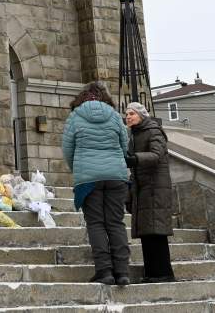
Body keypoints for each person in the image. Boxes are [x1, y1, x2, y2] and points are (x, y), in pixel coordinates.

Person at [62, 81, 131, 286]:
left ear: (82, 97)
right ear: (104, 97)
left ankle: (105, 271)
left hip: (88, 179)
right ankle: (123, 272)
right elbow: (124, 144)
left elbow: (67, 148)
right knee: (116, 222)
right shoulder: (115, 115)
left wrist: (79, 169)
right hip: (116, 177)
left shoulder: (75, 117)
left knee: (96, 223)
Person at [124, 102, 174, 282]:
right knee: (147, 231)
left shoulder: (153, 131)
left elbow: (156, 155)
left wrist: (134, 159)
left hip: (155, 187)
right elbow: (134, 168)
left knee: (156, 231)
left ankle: (163, 273)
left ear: (142, 115)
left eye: (132, 113)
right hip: (143, 187)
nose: (128, 117)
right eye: (127, 114)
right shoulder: (134, 135)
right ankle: (152, 273)